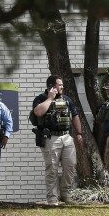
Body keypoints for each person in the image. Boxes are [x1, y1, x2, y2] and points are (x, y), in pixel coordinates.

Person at [32, 75, 83, 205]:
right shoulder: (40, 99)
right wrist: (50, 98)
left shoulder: (67, 99)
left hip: (67, 136)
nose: (62, 87)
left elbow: (75, 116)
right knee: (52, 169)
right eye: (59, 85)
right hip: (50, 138)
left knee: (70, 166)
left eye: (62, 85)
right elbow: (38, 112)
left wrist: (79, 133)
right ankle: (52, 199)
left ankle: (65, 195)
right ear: (51, 86)